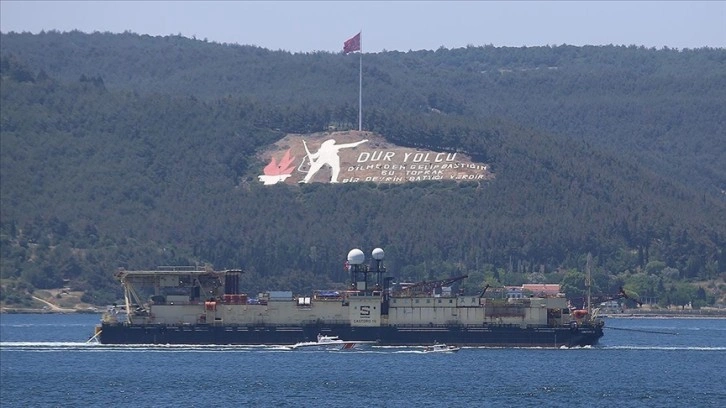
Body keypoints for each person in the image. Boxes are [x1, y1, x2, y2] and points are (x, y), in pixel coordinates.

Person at [300, 138, 368, 183]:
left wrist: (361, 142)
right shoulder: (327, 149)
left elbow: (313, 156)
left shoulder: (324, 150)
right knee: (315, 168)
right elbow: (349, 145)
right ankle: (306, 180)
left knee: (335, 168)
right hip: (327, 159)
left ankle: (333, 180)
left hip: (332, 159)